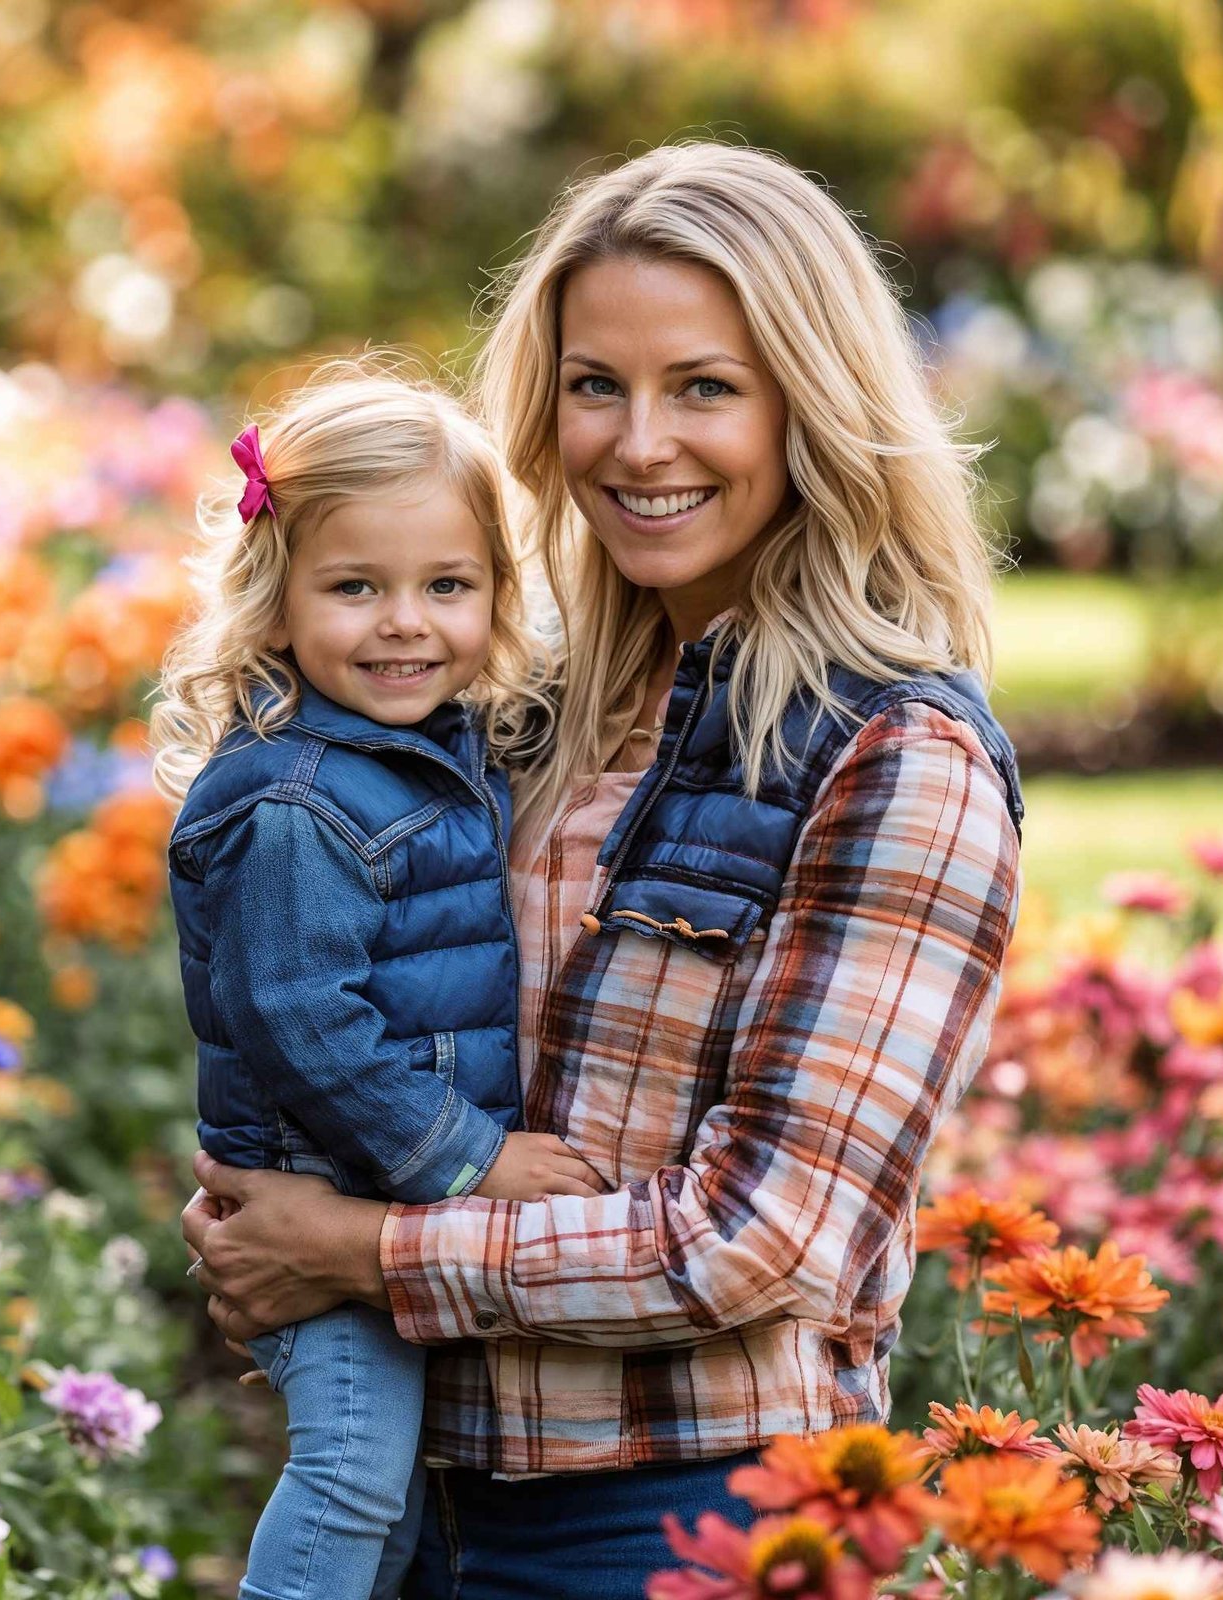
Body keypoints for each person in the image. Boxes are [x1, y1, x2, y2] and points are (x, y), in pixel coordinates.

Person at [183, 143, 1026, 1599]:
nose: (640, 444)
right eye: (595, 386)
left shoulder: (895, 758)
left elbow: (757, 1244)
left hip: (678, 1521)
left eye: (705, 386)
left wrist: (366, 1250)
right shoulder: (511, 712)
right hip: (428, 1496)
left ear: (811, 403)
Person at [152, 364, 604, 1600]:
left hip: (372, 1192)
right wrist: (473, 1160)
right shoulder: (298, 800)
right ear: (278, 597)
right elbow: (303, 1025)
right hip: (319, 1195)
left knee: (394, 1512)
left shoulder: (425, 752)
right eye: (355, 587)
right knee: (353, 1474)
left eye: (446, 586)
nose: (405, 621)